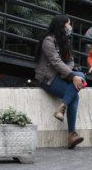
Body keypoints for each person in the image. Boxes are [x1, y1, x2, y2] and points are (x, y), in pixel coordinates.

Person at [35, 14, 86, 149]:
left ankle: (62, 108)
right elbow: (55, 61)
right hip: (47, 78)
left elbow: (70, 61)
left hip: (61, 75)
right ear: (61, 25)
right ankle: (72, 134)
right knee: (74, 96)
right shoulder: (48, 40)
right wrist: (71, 75)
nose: (70, 27)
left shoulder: (65, 40)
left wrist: (67, 74)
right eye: (68, 24)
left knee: (81, 75)